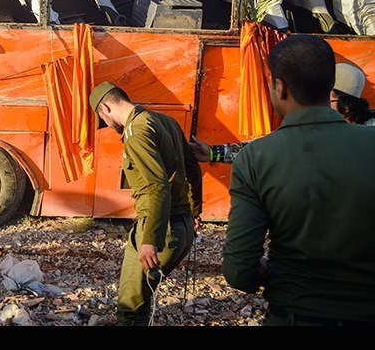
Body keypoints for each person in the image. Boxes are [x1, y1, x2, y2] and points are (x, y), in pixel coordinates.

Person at [222, 35, 375, 326]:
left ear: (280, 87)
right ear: (329, 86)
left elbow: (239, 270)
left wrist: (272, 271)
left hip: (296, 314)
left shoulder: (256, 158)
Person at [89, 81, 202, 326]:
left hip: (160, 229)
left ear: (106, 109)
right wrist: (194, 210)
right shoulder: (166, 121)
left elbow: (157, 186)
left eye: (104, 121)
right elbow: (192, 167)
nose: (109, 127)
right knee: (142, 297)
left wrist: (151, 240)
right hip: (181, 227)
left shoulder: (137, 131)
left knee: (130, 309)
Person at [190, 61, 374, 163]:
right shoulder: (314, 129)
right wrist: (213, 153)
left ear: (347, 106)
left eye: (325, 100)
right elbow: (268, 148)